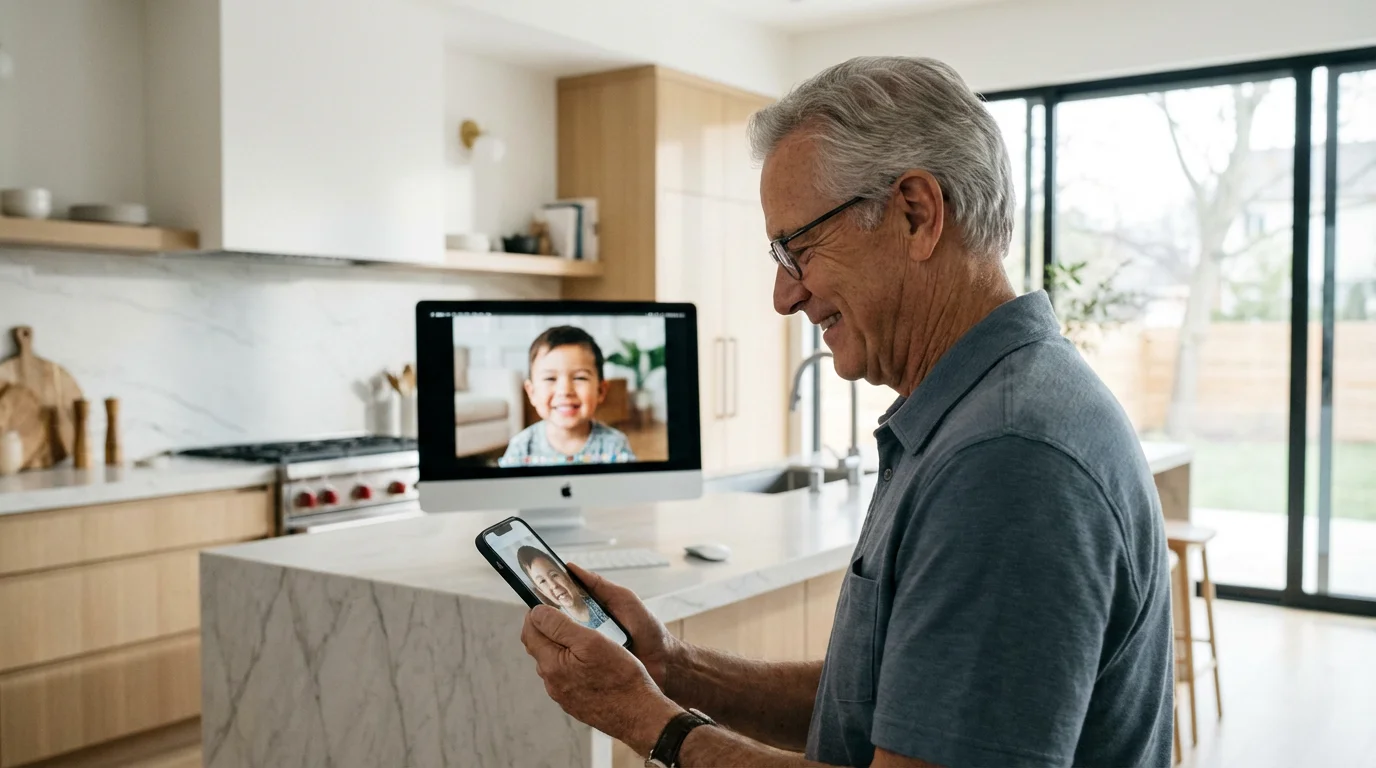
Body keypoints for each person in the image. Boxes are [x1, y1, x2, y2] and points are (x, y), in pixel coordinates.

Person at [517, 56, 1174, 768]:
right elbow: (896, 707)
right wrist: (674, 669)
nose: (783, 295)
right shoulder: (980, 414)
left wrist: (653, 724)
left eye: (796, 248)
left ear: (916, 214)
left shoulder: (1007, 461)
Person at [498, 325, 636, 467]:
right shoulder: (521, 448)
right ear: (532, 392)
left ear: (601, 391)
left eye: (580, 378)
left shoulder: (615, 446)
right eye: (550, 378)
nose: (565, 390)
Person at [515, 545, 609, 629]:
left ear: (566, 576)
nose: (553, 585)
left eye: (554, 575)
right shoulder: (560, 624)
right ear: (542, 592)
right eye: (543, 581)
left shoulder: (599, 600)